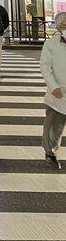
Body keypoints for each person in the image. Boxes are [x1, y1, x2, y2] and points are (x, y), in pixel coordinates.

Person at [39, 12, 66, 170]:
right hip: (58, 91)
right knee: (55, 124)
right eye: (63, 25)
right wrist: (53, 86)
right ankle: (50, 153)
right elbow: (45, 67)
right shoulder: (50, 44)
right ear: (57, 27)